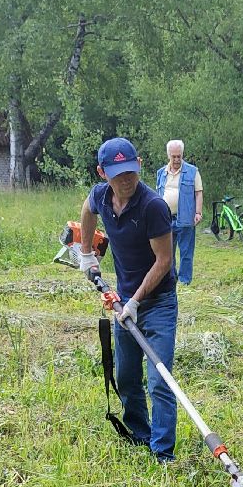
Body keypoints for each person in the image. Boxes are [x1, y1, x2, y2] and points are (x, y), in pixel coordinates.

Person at [77, 137, 179, 463]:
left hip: (158, 301)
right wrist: (86, 253)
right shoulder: (101, 196)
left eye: (131, 172)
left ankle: (163, 453)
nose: (126, 180)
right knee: (126, 376)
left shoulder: (153, 207)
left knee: (159, 379)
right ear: (102, 172)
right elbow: (87, 209)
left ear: (139, 167)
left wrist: (134, 301)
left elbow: (164, 261)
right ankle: (141, 434)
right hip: (124, 299)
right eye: (118, 173)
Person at [155, 140, 203, 284]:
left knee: (186, 252)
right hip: (165, 219)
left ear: (182, 155)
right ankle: (171, 277)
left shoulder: (192, 171)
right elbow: (158, 195)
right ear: (168, 155)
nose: (176, 160)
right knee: (167, 252)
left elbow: (199, 193)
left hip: (186, 218)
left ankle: (184, 280)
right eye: (173, 156)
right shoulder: (161, 173)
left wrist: (198, 212)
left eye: (179, 156)